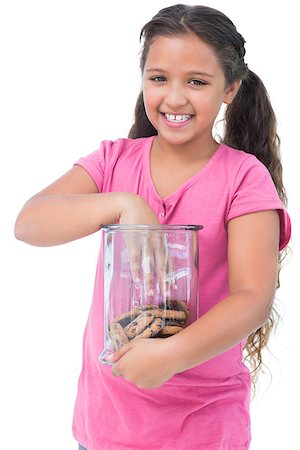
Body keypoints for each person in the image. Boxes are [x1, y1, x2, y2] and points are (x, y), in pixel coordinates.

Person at [14, 4, 291, 450]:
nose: (174, 98)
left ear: (231, 89)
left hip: (203, 429)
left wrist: (172, 355)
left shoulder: (243, 178)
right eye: (158, 78)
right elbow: (29, 223)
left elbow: (252, 297)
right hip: (105, 426)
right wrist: (124, 203)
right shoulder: (113, 162)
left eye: (196, 82)